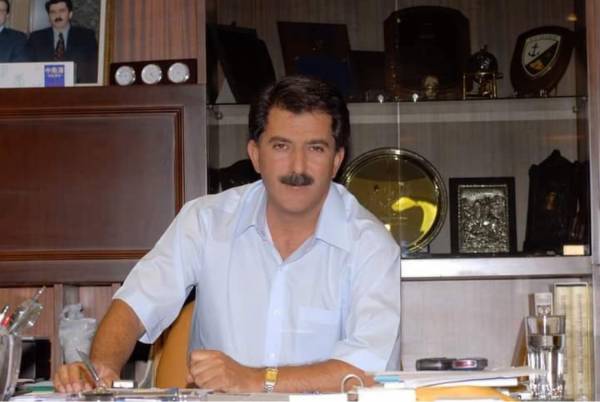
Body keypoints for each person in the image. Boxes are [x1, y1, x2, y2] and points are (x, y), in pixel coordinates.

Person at [53, 75, 401, 394]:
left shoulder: (370, 245)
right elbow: (135, 305)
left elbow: (368, 371)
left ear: (337, 160)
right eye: (281, 146)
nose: (298, 167)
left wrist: (253, 379)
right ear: (255, 155)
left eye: (315, 148)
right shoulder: (206, 221)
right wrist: (99, 369)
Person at [26, 0, 97, 83]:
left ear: (70, 14)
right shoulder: (36, 38)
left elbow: (94, 69)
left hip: (77, 88)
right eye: (53, 12)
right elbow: (29, 70)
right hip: (43, 88)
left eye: (62, 11)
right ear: (49, 16)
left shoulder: (86, 37)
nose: (57, 16)